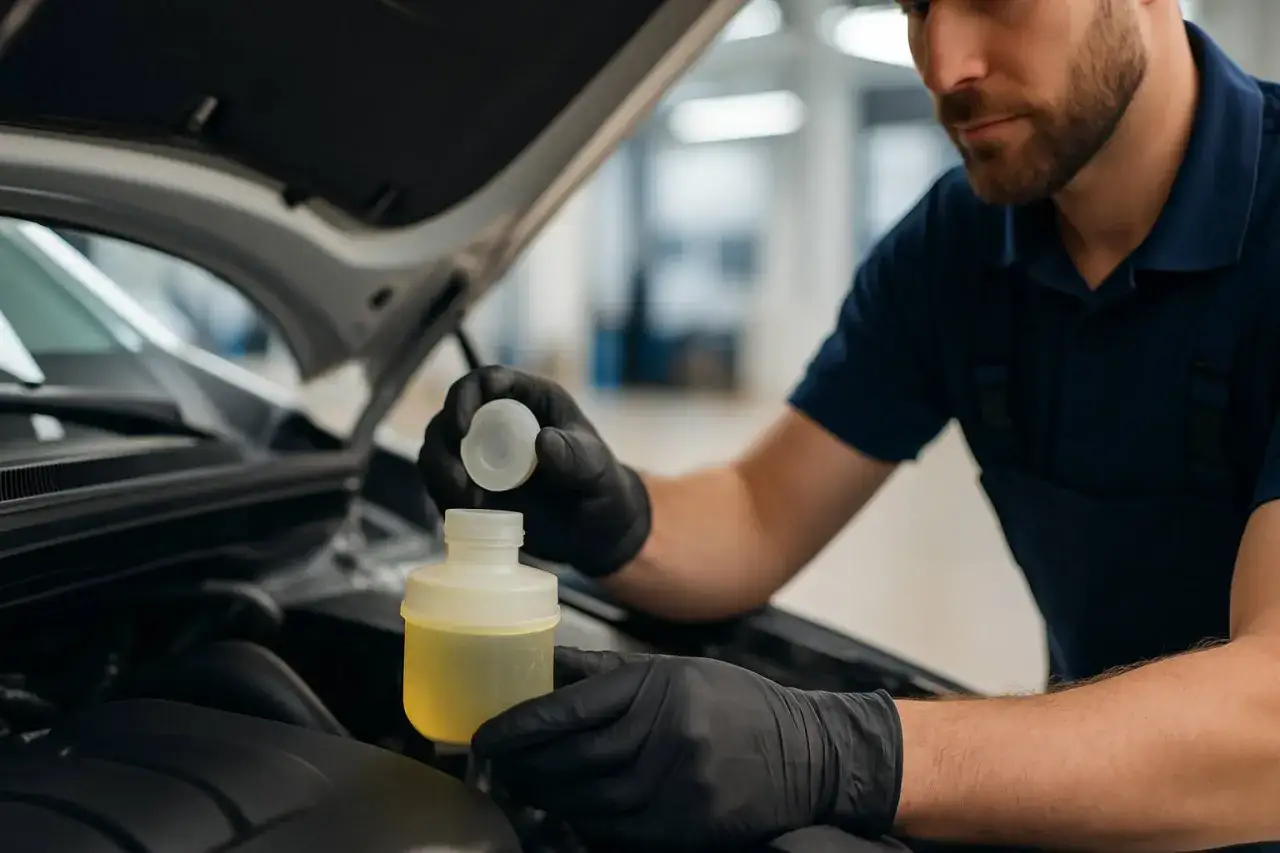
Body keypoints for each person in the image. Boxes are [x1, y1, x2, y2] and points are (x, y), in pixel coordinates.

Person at [418, 0, 1280, 850]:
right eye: (914, 8)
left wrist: (845, 753)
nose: (944, 66)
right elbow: (760, 512)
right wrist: (616, 516)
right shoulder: (958, 246)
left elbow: (1269, 718)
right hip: (1093, 817)